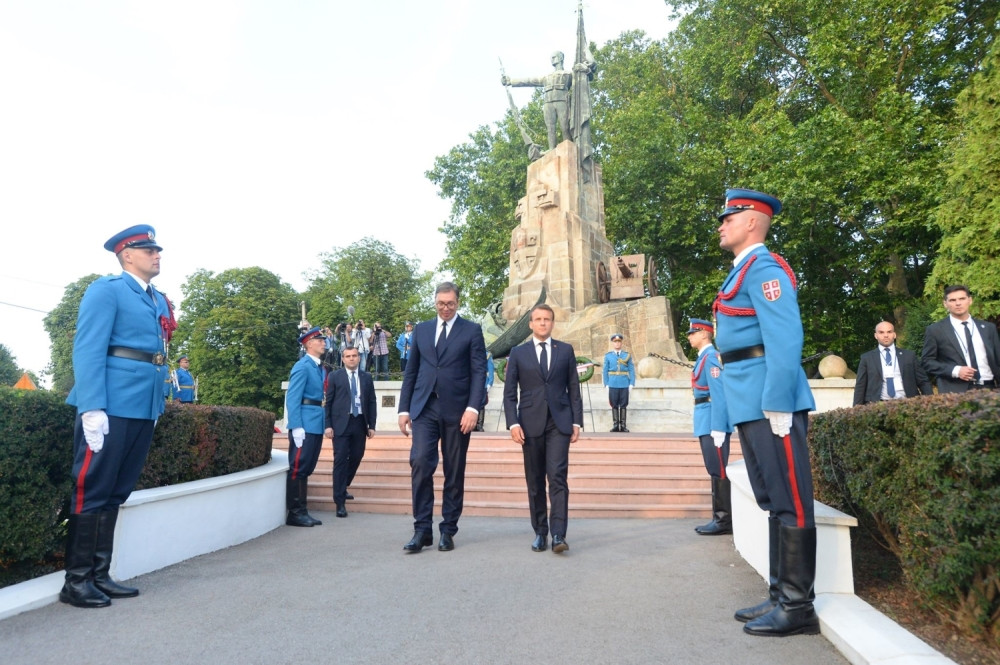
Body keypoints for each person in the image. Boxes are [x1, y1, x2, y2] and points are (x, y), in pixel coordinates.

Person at [713, 188, 819, 637]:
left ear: (752, 221)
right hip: (747, 396)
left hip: (767, 399)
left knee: (792, 498)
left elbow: (784, 336)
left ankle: (798, 607)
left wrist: (778, 399)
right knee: (773, 497)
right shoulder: (744, 270)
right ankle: (780, 594)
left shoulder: (764, 268)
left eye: (728, 218)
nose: (721, 225)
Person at [62, 224, 174, 608]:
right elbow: (88, 349)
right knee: (92, 488)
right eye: (149, 250)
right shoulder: (106, 291)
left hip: (141, 406)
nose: (157, 255)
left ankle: (99, 574)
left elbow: (156, 358)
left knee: (116, 490)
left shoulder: (156, 298)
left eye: (157, 249)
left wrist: (156, 405)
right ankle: (75, 582)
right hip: (110, 404)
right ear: (127, 254)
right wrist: (92, 406)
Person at [397, 282, 487, 553]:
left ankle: (448, 529)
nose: (445, 308)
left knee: (454, 470)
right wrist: (404, 409)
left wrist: (473, 408)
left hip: (458, 412)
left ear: (458, 302)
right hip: (424, 408)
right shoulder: (422, 330)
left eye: (450, 303)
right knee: (421, 462)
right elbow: (411, 372)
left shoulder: (471, 330)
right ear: (435, 302)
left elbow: (479, 372)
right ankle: (421, 529)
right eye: (440, 303)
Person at [503, 304, 583, 554]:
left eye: (546, 319)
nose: (542, 323)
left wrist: (576, 422)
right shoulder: (518, 353)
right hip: (529, 424)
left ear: (552, 322)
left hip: (559, 423)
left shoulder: (565, 350)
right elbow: (509, 394)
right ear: (530, 324)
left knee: (557, 477)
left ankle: (559, 534)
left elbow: (574, 389)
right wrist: (513, 423)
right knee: (535, 480)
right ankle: (540, 531)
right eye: (537, 319)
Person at [686, 318, 734, 536]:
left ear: (705, 334)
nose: (689, 336)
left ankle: (724, 520)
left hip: (712, 418)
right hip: (705, 417)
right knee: (713, 469)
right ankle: (719, 517)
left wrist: (718, 426)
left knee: (719, 469)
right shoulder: (703, 358)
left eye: (693, 333)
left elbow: (719, 393)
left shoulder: (711, 357)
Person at [324, 346, 376, 518]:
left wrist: (372, 425)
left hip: (359, 423)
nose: (352, 359)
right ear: (343, 359)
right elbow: (328, 403)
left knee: (356, 456)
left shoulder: (367, 377)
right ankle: (339, 502)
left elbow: (371, 402)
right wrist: (328, 425)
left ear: (359, 358)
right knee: (340, 460)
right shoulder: (334, 376)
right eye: (348, 356)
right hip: (340, 424)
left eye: (354, 356)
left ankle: (342, 485)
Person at [284, 326, 327, 528]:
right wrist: (296, 426)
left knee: (307, 468)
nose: (323, 342)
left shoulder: (319, 367)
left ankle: (303, 510)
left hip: (315, 422)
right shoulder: (302, 366)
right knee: (298, 469)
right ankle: (295, 512)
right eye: (319, 340)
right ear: (309, 344)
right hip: (304, 423)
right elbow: (293, 398)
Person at [921, 285, 999, 392]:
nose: (958, 303)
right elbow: (927, 362)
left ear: (970, 300)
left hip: (990, 387)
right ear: (945, 304)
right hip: (956, 390)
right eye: (952, 300)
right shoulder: (935, 330)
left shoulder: (988, 328)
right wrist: (955, 370)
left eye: (962, 299)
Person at [501, 51, 574, 151]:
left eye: (554, 56)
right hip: (548, 102)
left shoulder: (569, 74)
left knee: (565, 127)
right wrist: (511, 81)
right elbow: (530, 80)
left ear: (561, 58)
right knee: (550, 128)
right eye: (551, 57)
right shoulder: (547, 77)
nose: (552, 58)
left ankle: (569, 148)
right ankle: (552, 148)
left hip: (562, 100)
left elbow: (581, 79)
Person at [853, 321, 933, 405]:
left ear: (894, 335)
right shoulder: (867, 358)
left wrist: (931, 403)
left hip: (907, 403)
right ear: (875, 335)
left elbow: (923, 381)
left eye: (889, 332)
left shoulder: (909, 356)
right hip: (877, 405)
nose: (886, 335)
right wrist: (856, 409)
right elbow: (860, 386)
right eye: (881, 332)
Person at [601, 333, 635, 432]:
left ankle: (623, 425)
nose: (617, 343)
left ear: (621, 343)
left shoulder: (626, 355)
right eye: (615, 342)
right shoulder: (608, 356)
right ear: (613, 343)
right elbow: (605, 370)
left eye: (619, 342)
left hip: (624, 382)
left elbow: (631, 370)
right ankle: (616, 425)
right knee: (614, 404)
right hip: (612, 383)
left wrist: (631, 383)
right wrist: (606, 383)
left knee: (623, 404)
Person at [474, 350, 496, 432]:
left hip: (483, 383)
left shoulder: (487, 355)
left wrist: (490, 383)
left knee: (481, 404)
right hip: (471, 383)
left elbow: (490, 370)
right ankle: (473, 423)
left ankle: (479, 425)